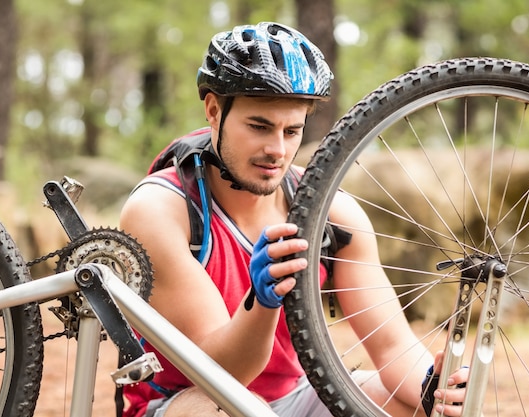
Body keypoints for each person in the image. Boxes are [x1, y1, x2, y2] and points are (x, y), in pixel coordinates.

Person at [119, 21, 468, 417]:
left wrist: (432, 385)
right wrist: (262, 303)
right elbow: (219, 375)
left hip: (295, 396)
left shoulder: (331, 212)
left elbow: (391, 345)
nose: (277, 149)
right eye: (259, 126)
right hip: (192, 401)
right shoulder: (161, 210)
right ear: (214, 110)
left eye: (292, 131)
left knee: (417, 407)